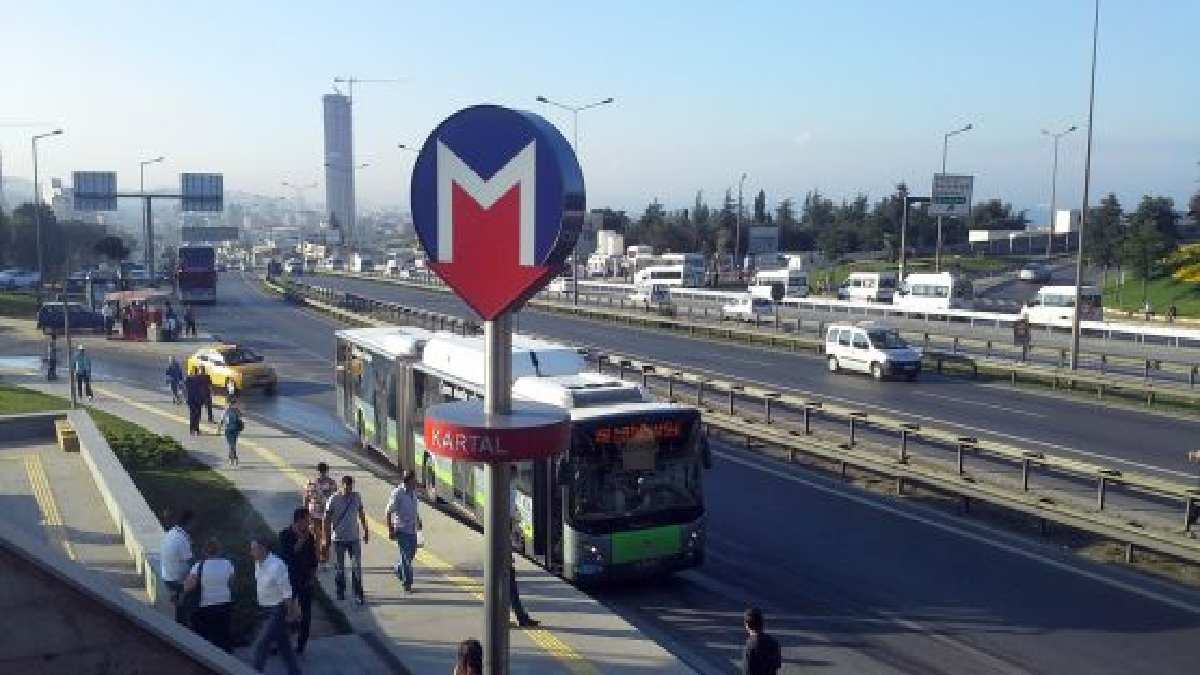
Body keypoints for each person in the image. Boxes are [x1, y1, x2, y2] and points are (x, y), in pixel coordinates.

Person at [250, 539, 301, 675]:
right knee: (285, 647)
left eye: (254, 549)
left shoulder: (277, 565)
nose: (251, 553)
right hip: (265, 610)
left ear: (263, 548)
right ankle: (295, 672)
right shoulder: (258, 562)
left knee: (260, 645)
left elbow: (287, 592)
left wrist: (290, 613)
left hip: (277, 610)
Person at [278, 508, 318, 656]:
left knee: (306, 614)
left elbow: (313, 559)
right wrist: (301, 540)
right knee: (283, 614)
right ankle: (280, 642)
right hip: (289, 581)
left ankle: (301, 644)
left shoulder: (310, 537)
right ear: (299, 521)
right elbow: (288, 556)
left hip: (305, 581)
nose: (308, 524)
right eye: (307, 521)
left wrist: (312, 576)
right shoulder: (285, 535)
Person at [324, 475, 368, 604]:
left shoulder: (356, 497)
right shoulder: (333, 499)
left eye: (351, 487)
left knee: (356, 567)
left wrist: (366, 529)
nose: (349, 491)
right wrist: (326, 539)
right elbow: (326, 520)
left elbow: (361, 513)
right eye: (346, 488)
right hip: (338, 540)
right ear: (341, 486)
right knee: (340, 568)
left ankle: (358, 594)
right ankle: (340, 591)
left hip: (354, 538)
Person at [184, 537, 234, 652]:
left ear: (205, 552)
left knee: (205, 637)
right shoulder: (227, 564)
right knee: (223, 635)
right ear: (219, 551)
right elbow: (231, 582)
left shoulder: (198, 566)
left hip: (205, 606)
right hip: (224, 604)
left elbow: (188, 587)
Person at [385, 469, 422, 593]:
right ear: (407, 481)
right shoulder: (397, 493)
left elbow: (414, 507)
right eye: (413, 480)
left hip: (412, 529)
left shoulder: (413, 492)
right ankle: (407, 584)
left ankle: (397, 568)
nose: (415, 482)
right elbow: (388, 512)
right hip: (401, 530)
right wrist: (390, 530)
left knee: (411, 554)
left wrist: (418, 520)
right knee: (406, 558)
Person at [161, 510, 195, 624]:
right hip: (176, 581)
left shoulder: (172, 532)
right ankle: (184, 620)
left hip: (167, 575)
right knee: (198, 582)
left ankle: (177, 598)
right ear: (189, 523)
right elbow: (191, 563)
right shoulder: (182, 539)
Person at [303, 463, 338, 569]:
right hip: (319, 515)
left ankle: (321, 560)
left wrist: (305, 513)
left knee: (322, 539)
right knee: (321, 539)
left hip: (320, 514)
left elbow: (305, 499)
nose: (322, 473)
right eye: (322, 471)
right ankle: (321, 561)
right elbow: (306, 498)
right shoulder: (330, 483)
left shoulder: (312, 482)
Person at [741, 607, 782, 675]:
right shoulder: (773, 642)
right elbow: (777, 664)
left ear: (747, 625)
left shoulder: (750, 646)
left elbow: (747, 670)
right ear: (762, 623)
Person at [510, 554, 539, 628]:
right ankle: (522, 619)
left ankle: (522, 618)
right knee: (512, 594)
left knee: (512, 594)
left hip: (503, 565)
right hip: (503, 566)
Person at [218, 399, 244, 467]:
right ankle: (233, 458)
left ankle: (232, 458)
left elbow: (221, 421)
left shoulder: (225, 411)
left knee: (231, 445)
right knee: (233, 444)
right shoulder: (237, 411)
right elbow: (241, 420)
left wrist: (219, 429)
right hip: (235, 430)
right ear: (234, 403)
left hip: (228, 430)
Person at [185, 367, 206, 435]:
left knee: (195, 415)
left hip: (194, 400)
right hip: (195, 400)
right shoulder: (194, 379)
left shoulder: (190, 379)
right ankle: (194, 429)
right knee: (195, 415)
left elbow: (203, 390)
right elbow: (202, 390)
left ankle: (194, 430)